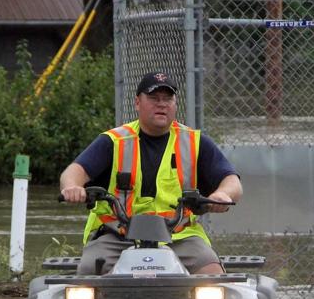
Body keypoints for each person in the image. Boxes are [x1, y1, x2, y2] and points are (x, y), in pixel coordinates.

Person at [59, 71, 243, 275]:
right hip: (117, 236)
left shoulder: (195, 142)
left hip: (179, 237)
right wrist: (72, 187)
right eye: (154, 98)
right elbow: (74, 171)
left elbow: (231, 181)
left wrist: (222, 195)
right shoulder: (113, 141)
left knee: (212, 273)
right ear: (137, 102)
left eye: (168, 98)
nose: (162, 104)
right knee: (88, 272)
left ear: (175, 104)